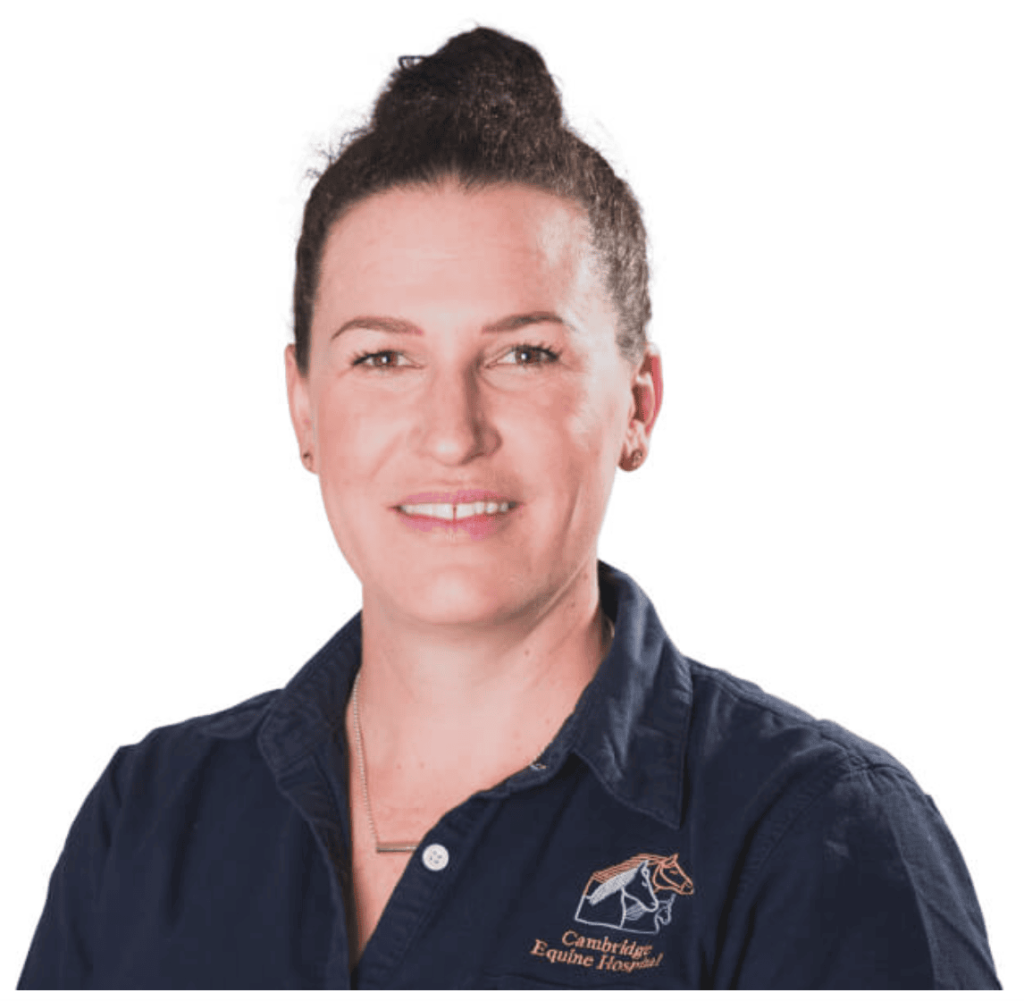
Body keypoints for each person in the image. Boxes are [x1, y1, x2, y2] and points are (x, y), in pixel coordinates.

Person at [18, 27, 1000, 990]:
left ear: (637, 404)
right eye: (383, 357)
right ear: (304, 407)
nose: (452, 430)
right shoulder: (146, 819)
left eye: (525, 353)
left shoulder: (814, 838)